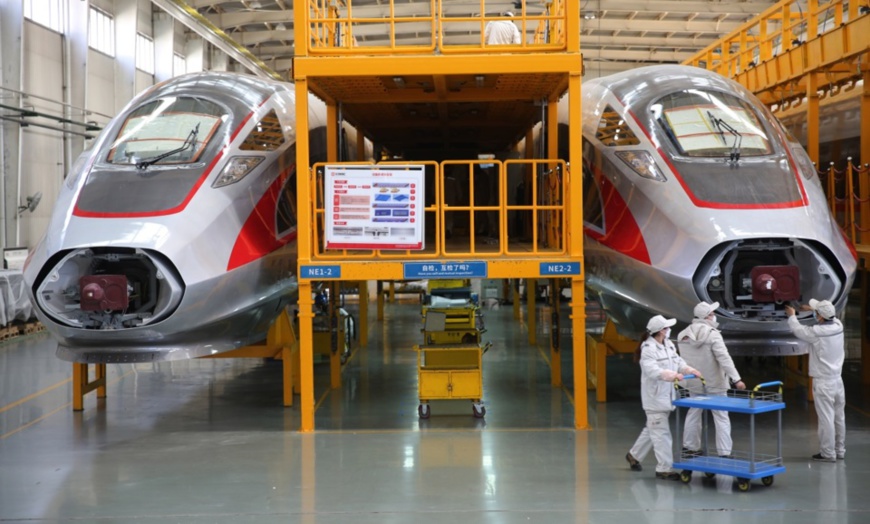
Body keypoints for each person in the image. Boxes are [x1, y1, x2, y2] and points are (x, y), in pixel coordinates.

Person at [626, 315, 703, 480]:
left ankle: (634, 455)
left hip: (666, 397)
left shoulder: (668, 345)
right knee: (661, 434)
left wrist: (689, 370)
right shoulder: (648, 349)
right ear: (661, 330)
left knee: (652, 429)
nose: (669, 330)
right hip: (654, 399)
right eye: (667, 327)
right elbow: (652, 371)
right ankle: (664, 469)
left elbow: (678, 362)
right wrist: (673, 375)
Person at [676, 301, 746, 458]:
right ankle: (724, 453)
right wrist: (737, 379)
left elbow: (683, 361)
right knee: (721, 416)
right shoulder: (713, 334)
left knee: (694, 412)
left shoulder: (683, 335)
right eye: (712, 313)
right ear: (707, 317)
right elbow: (724, 359)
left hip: (694, 382)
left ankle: (690, 448)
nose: (714, 316)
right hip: (716, 384)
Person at [784, 299, 846, 462]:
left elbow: (798, 330)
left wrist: (792, 316)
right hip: (838, 381)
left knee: (826, 418)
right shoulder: (839, 326)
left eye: (816, 312)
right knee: (839, 417)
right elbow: (828, 315)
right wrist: (812, 308)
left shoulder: (816, 333)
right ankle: (840, 450)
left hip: (823, 382)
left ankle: (827, 453)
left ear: (819, 317)